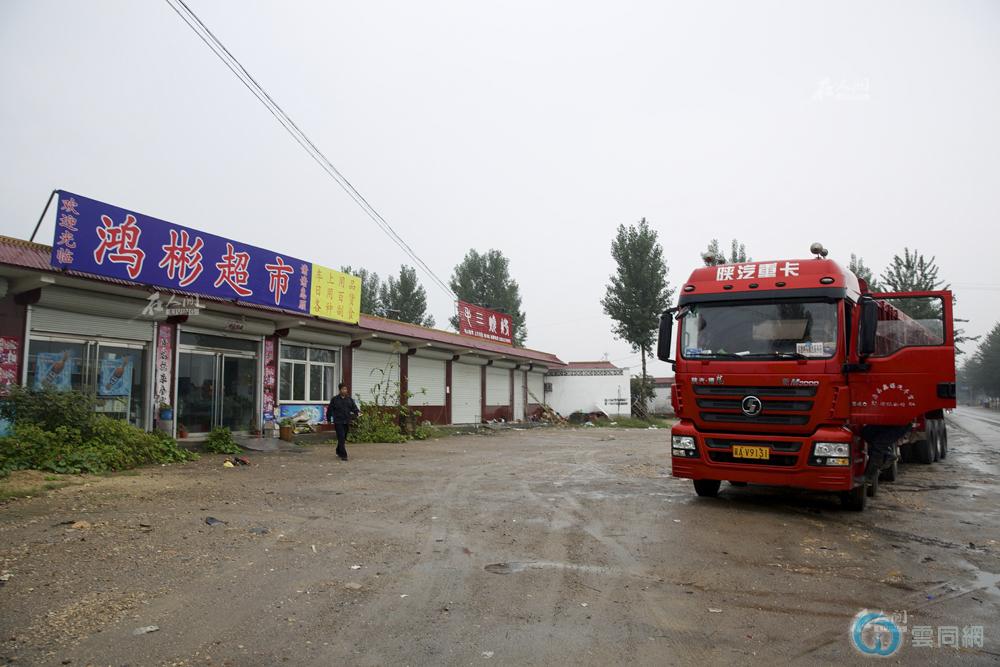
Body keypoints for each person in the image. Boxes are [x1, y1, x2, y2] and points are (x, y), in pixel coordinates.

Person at [327, 383, 360, 461]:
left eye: (346, 389)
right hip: (338, 421)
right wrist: (329, 419)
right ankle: (344, 455)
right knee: (341, 437)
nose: (345, 390)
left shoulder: (349, 399)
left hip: (346, 421)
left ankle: (338, 450)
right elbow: (330, 409)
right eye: (343, 389)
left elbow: (354, 408)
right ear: (340, 390)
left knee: (343, 438)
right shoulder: (335, 399)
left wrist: (357, 413)